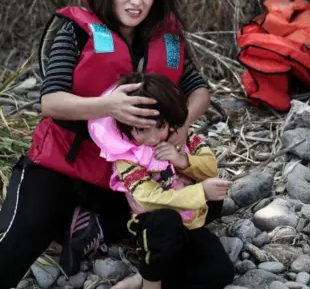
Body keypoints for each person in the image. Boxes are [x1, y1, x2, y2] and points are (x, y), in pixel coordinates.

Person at [0, 0, 213, 289]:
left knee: (207, 208)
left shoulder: (165, 37)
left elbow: (200, 91)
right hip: (63, 161)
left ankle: (100, 232)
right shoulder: (75, 32)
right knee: (28, 232)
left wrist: (182, 127)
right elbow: (50, 102)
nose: (137, 1)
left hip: (123, 171)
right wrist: (109, 106)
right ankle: (72, 223)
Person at [88, 73, 234, 289]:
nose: (154, 138)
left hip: (190, 221)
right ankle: (150, 281)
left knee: (221, 274)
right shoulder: (126, 157)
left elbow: (210, 167)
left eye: (160, 126)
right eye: (142, 130)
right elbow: (148, 200)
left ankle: (144, 277)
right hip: (152, 225)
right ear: (127, 127)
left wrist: (181, 159)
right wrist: (201, 193)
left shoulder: (180, 137)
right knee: (164, 221)